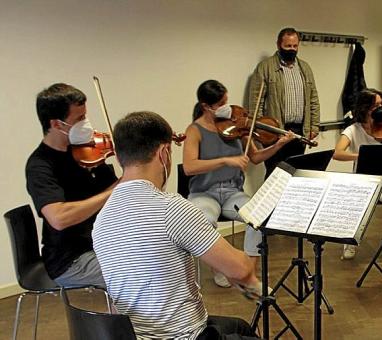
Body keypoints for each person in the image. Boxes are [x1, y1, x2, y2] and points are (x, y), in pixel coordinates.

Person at [93, 111, 260, 339]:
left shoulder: (102, 217)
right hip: (183, 336)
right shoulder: (171, 209)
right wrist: (246, 270)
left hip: (133, 335)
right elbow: (240, 270)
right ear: (164, 154)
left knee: (239, 327)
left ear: (120, 158)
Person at [183, 80, 294, 287]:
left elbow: (256, 157)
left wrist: (278, 144)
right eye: (221, 103)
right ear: (207, 106)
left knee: (257, 216)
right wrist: (226, 160)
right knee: (204, 220)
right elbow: (189, 167)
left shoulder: (238, 126)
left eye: (227, 100)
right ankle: (220, 269)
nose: (228, 107)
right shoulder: (195, 130)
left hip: (233, 191)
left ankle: (247, 273)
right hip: (204, 193)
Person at [25, 83, 118, 288]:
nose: (87, 124)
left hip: (101, 244)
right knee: (135, 270)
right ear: (56, 124)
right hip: (70, 259)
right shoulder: (40, 166)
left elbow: (116, 194)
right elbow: (59, 218)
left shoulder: (87, 152)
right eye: (79, 119)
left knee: (157, 253)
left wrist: (133, 165)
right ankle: (122, 320)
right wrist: (112, 191)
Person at [332, 88, 382, 272]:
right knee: (353, 199)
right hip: (365, 179)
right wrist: (362, 156)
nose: (380, 109)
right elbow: (337, 153)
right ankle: (349, 239)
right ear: (365, 108)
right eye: (375, 105)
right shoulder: (354, 129)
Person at [248, 27, 320, 178]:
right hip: (276, 132)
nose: (292, 49)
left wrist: (314, 126)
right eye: (288, 46)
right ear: (278, 45)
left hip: (299, 132)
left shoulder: (305, 68)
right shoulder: (265, 67)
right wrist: (261, 132)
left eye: (295, 46)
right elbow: (256, 103)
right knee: (275, 175)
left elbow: (313, 99)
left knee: (295, 175)